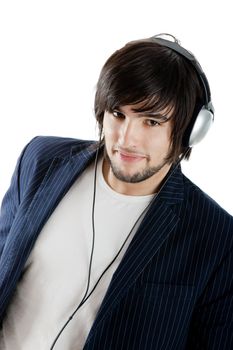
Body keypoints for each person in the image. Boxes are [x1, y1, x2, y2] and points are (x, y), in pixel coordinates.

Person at [0, 33, 232, 350]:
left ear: (192, 130)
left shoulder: (217, 238)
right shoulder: (40, 160)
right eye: (118, 114)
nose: (126, 139)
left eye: (151, 121)